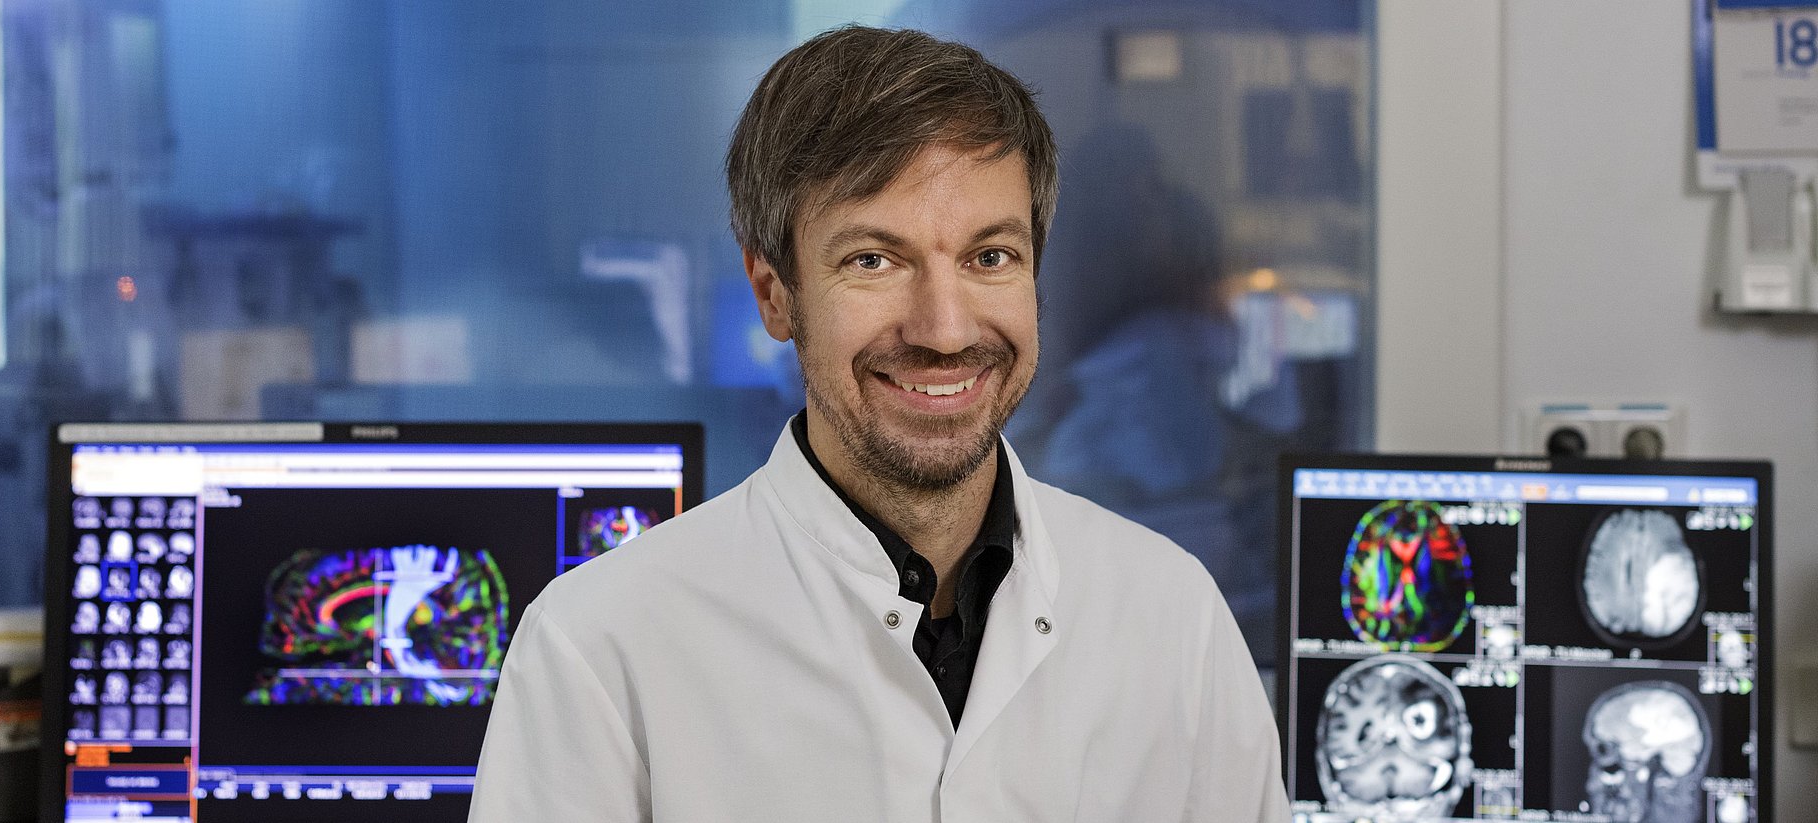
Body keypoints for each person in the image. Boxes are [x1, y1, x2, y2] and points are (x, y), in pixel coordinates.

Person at [469, 25, 1287, 821]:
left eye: (989, 256)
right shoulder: (599, 649)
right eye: (873, 260)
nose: (945, 328)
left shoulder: (1173, 618)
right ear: (774, 292)